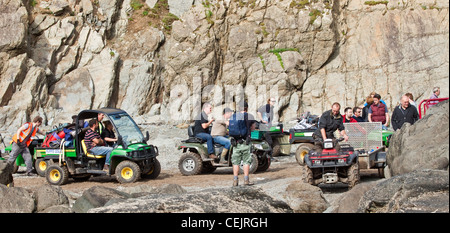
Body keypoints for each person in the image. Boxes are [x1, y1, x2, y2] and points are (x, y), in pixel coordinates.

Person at [229, 101, 256, 186]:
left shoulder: (234, 116)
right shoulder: (249, 116)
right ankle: (246, 180)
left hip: (236, 143)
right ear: (246, 108)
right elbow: (253, 127)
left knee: (236, 162)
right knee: (246, 161)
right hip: (245, 142)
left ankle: (235, 180)